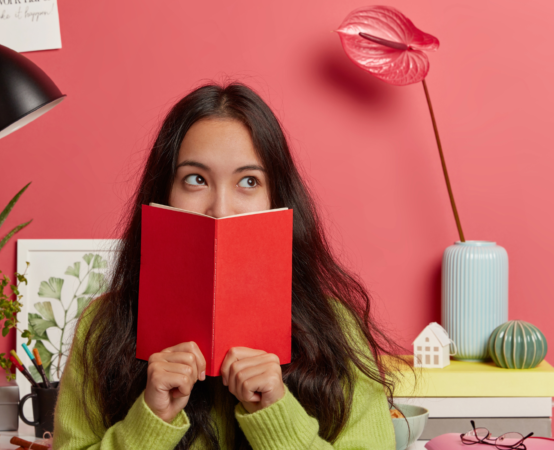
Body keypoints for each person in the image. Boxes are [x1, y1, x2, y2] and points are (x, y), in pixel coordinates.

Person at [53, 82, 403, 449]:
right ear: (163, 194)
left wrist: (277, 413)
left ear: (277, 198)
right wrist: (149, 422)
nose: (220, 209)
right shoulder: (103, 325)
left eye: (248, 181)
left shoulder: (338, 329)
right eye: (195, 179)